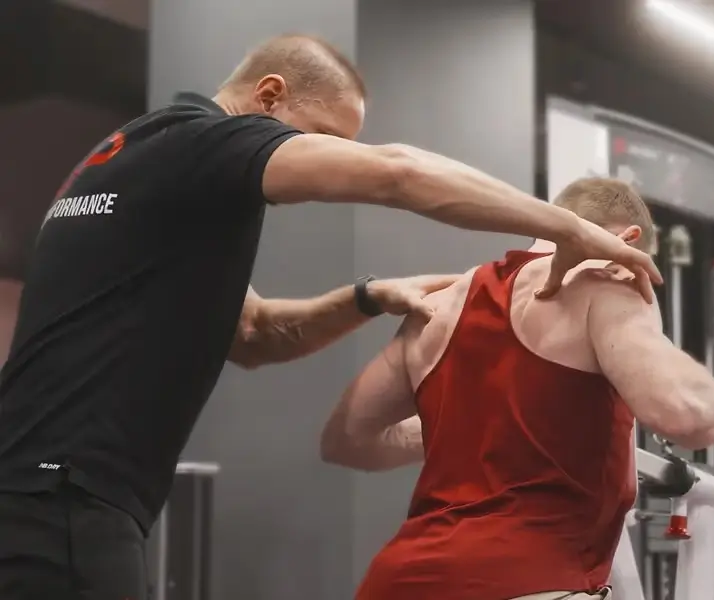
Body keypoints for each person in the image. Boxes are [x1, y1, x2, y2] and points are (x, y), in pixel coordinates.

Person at [0, 33, 664, 600]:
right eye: (323, 139)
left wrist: (369, 297)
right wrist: (567, 227)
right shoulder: (204, 145)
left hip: (40, 497)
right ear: (267, 98)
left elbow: (254, 335)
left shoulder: (140, 162)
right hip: (63, 503)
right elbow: (396, 173)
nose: (332, 159)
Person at [320, 177, 714, 600]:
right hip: (528, 580)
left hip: (397, 581)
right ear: (629, 243)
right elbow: (684, 412)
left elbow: (345, 440)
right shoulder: (607, 275)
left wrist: (472, 428)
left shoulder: (438, 305)